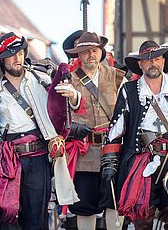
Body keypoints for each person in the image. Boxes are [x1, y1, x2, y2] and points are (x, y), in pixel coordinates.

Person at [0, 32, 78, 229]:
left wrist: (73, 96)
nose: (17, 58)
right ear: (2, 60)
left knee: (35, 219)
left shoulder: (43, 80)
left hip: (37, 158)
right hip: (6, 161)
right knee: (4, 217)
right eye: (12, 54)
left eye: (20, 53)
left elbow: (66, 107)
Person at [100, 40, 168, 229]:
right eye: (148, 60)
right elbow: (116, 129)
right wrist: (109, 162)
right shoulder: (129, 90)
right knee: (142, 218)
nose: (153, 63)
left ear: (163, 61)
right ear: (140, 64)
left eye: (157, 59)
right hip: (141, 159)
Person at [61, 31, 125, 229]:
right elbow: (60, 118)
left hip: (113, 151)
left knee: (115, 203)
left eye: (95, 50)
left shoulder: (116, 76)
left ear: (101, 52)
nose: (91, 55)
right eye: (85, 51)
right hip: (84, 153)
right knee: (85, 207)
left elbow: (127, 112)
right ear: (78, 55)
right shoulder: (68, 81)